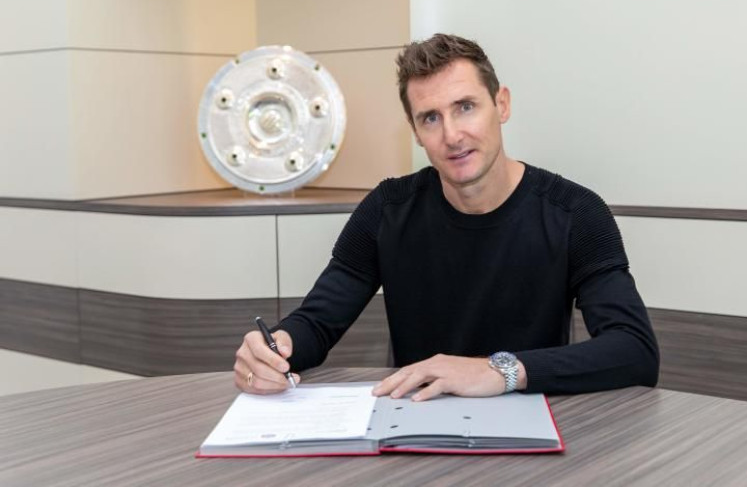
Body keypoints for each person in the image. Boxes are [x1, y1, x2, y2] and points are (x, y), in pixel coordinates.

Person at [234, 33, 659, 401]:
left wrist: (498, 371)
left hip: (534, 428)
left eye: (466, 107)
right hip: (416, 422)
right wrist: (277, 349)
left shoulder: (576, 213)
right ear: (415, 131)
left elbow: (635, 350)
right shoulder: (386, 210)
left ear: (502, 104)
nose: (452, 135)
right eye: (431, 118)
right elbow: (317, 322)